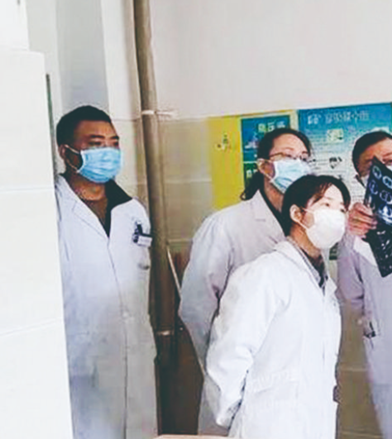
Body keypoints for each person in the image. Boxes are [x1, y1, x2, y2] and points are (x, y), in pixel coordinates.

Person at [180, 127, 312, 434]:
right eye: (288, 156)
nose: (298, 164)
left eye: (304, 158)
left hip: (294, 376)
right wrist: (225, 360)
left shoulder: (309, 225)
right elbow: (196, 307)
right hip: (239, 374)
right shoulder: (225, 225)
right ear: (264, 166)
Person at [205, 174, 350, 439]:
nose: (337, 216)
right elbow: (230, 352)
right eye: (326, 205)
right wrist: (232, 417)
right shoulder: (264, 274)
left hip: (314, 425)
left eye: (342, 209)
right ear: (297, 213)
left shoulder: (324, 287)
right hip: (264, 426)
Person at [54, 105, 157, 439]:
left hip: (135, 356)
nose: (109, 153)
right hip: (79, 363)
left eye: (114, 143)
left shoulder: (132, 211)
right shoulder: (50, 210)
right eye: (96, 144)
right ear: (66, 152)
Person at [337, 131, 392, 439]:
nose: (383, 170)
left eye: (390, 160)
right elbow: (351, 295)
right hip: (389, 353)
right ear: (360, 179)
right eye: (371, 166)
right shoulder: (354, 230)